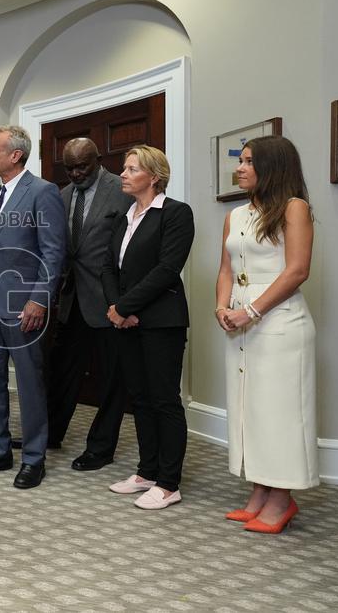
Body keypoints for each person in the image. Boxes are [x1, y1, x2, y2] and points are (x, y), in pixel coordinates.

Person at [215, 135, 317, 533]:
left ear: (272, 167)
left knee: (279, 413)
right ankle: (259, 489)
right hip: (239, 321)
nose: (239, 168)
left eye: (248, 162)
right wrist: (222, 307)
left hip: (279, 324)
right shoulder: (236, 215)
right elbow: (225, 269)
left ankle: (282, 498)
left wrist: (250, 311)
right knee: (249, 409)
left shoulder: (295, 208)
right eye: (240, 161)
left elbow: (297, 271)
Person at [0, 126, 66, 488]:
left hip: (24, 305)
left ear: (15, 155)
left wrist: (39, 299)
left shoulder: (43, 192)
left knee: (28, 383)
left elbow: (53, 253)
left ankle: (34, 458)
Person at [103, 145, 194, 510]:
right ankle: (147, 472)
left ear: (154, 176)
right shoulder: (123, 217)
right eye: (124, 168)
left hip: (162, 321)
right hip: (126, 321)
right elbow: (108, 267)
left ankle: (170, 483)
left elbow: (166, 269)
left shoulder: (175, 213)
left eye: (131, 169)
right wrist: (116, 309)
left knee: (164, 399)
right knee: (139, 397)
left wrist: (125, 307)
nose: (123, 174)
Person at [47, 138, 134, 470]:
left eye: (82, 166)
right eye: (69, 167)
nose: (75, 173)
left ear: (97, 160)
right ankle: (51, 433)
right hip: (72, 299)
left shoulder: (121, 189)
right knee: (62, 371)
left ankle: (101, 447)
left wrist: (126, 300)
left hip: (110, 299)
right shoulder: (63, 194)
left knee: (111, 378)